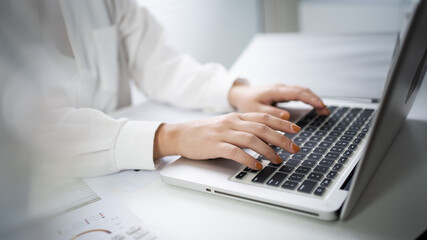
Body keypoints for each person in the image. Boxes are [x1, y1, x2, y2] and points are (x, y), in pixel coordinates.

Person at [4, 0, 329, 177]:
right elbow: (25, 131)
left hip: (122, 174)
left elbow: (157, 64)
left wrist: (232, 91)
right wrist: (168, 137)